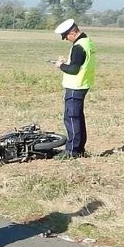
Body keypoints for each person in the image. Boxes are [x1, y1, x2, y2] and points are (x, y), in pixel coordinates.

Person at [52, 18, 95, 158]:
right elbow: (81, 63)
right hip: (83, 84)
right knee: (78, 118)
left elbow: (74, 69)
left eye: (65, 36)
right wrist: (67, 62)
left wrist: (61, 66)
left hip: (75, 86)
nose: (65, 39)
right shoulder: (87, 42)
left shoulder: (78, 47)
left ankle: (72, 152)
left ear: (73, 32)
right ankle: (80, 148)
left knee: (71, 118)